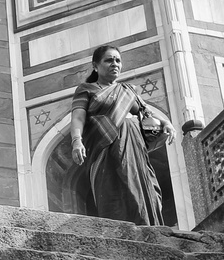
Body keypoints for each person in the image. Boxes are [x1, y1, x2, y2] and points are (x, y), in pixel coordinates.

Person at [69, 44, 167, 225]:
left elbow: (147, 113)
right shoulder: (86, 89)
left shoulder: (127, 91)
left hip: (133, 149)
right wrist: (77, 141)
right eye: (109, 60)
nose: (115, 63)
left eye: (118, 60)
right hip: (103, 150)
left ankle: (148, 228)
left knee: (140, 189)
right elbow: (78, 117)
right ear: (95, 65)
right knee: (111, 191)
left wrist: (167, 123)